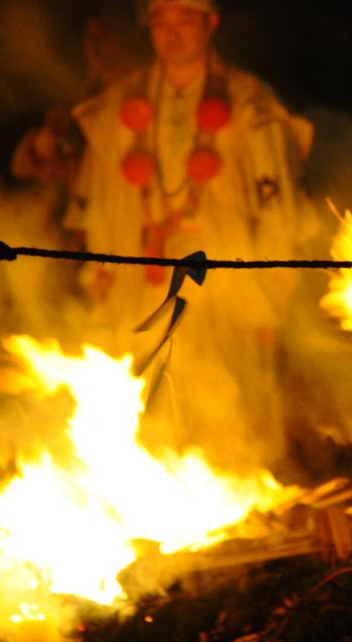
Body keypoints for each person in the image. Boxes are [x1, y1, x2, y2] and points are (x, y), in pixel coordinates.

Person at [64, 0, 314, 468]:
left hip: (223, 286)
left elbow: (276, 208)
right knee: (142, 401)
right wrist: (97, 273)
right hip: (139, 283)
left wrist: (271, 283)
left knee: (227, 404)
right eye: (159, 20)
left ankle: (235, 502)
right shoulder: (120, 102)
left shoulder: (248, 103)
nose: (170, 33)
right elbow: (95, 204)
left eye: (185, 19)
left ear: (212, 23)